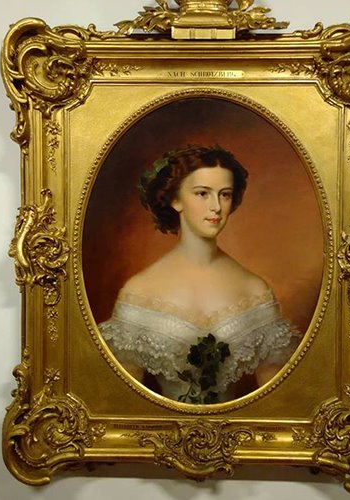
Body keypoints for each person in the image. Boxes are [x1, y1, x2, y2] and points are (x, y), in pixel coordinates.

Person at [99, 145, 301, 403]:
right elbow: (124, 403)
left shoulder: (255, 289)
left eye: (224, 195)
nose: (216, 207)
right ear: (175, 200)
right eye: (202, 193)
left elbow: (277, 401)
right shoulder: (138, 290)